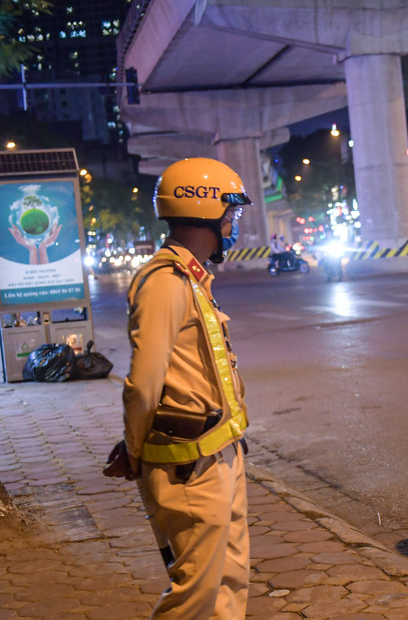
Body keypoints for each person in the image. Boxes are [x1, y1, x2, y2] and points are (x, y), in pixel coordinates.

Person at [106, 157, 253, 618]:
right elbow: (143, 383)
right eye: (231, 212)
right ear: (206, 211)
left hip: (221, 450)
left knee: (229, 582)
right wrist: (134, 450)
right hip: (189, 467)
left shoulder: (192, 276)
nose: (233, 223)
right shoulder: (164, 283)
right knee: (195, 594)